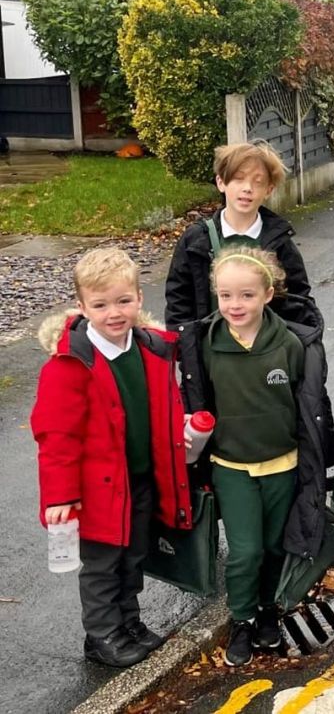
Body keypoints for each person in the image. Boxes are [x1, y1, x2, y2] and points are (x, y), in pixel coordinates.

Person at [31, 248, 193, 667]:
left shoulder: (152, 350)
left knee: (134, 554)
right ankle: (102, 635)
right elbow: (56, 439)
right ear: (83, 307)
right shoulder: (70, 364)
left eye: (123, 301)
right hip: (97, 491)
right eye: (100, 305)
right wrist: (60, 499)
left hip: (139, 480)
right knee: (103, 565)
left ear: (140, 298)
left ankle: (128, 622)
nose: (114, 313)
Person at [176, 246, 334, 665]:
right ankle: (242, 619)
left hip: (283, 465)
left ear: (268, 294)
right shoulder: (206, 345)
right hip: (231, 468)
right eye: (226, 295)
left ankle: (269, 611)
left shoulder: (291, 344)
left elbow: (310, 406)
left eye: (246, 295)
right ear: (215, 295)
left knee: (274, 547)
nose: (235, 304)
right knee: (245, 552)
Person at [165, 141, 314, 329]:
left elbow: (298, 302)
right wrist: (186, 348)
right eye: (239, 178)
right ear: (221, 182)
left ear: (269, 190)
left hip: (265, 353)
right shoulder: (196, 240)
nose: (248, 188)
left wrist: (294, 349)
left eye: (258, 182)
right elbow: (178, 301)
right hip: (210, 353)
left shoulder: (280, 243)